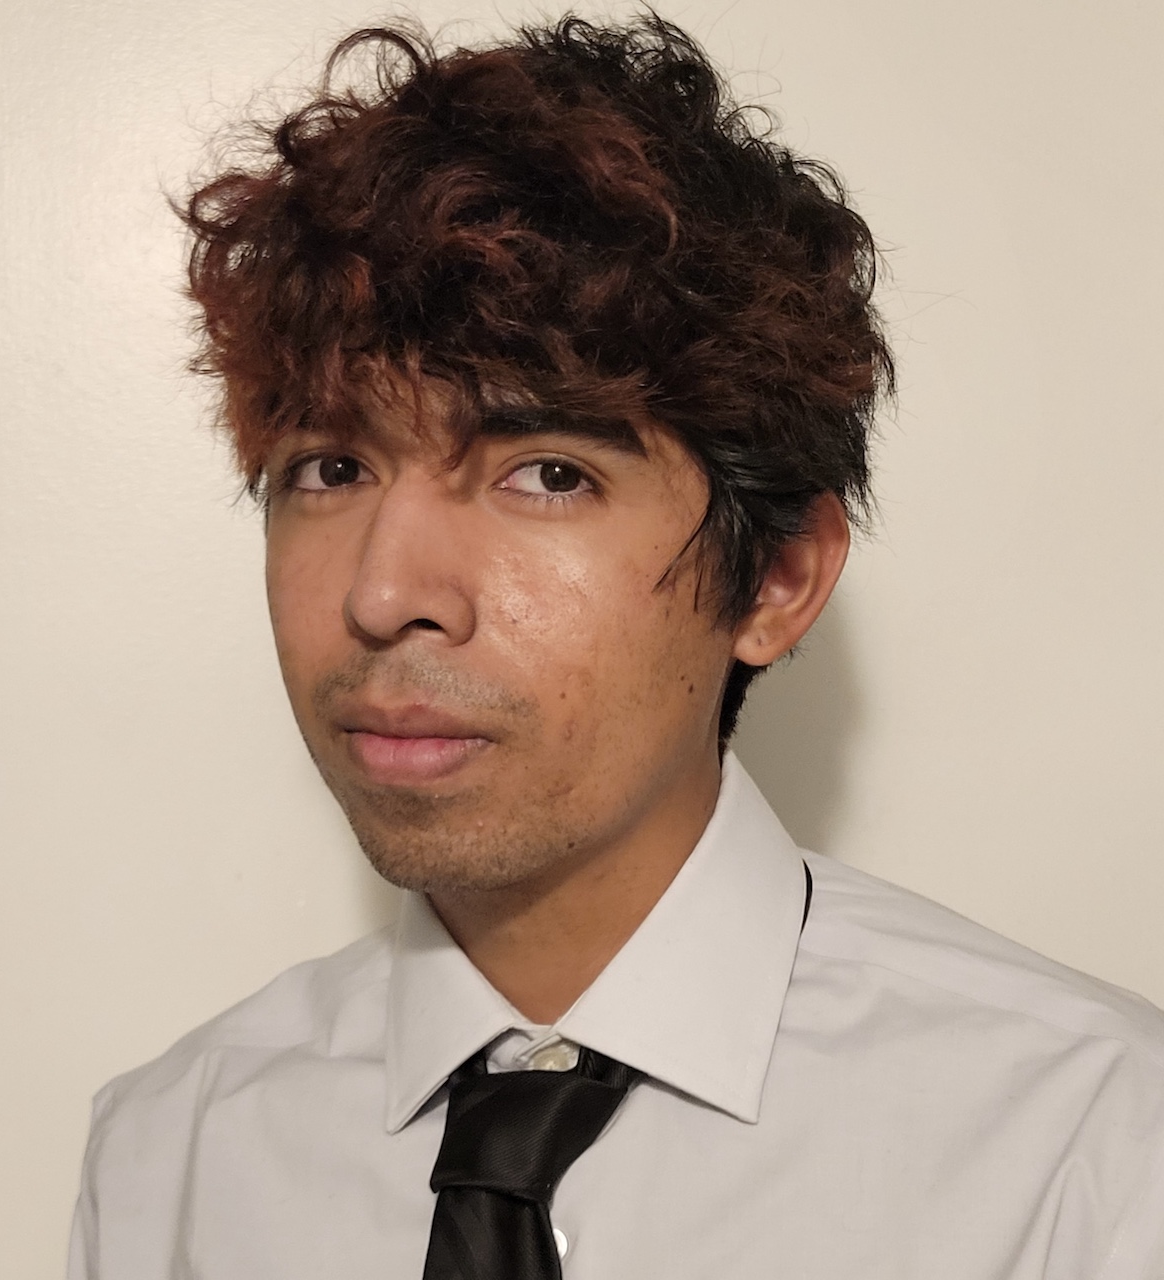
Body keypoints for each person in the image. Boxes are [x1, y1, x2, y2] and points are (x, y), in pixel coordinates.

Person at [67, 15, 1164, 1278]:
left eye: (543, 472)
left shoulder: (1086, 1148)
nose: (381, 591)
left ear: (777, 575)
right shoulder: (171, 1157)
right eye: (328, 466)